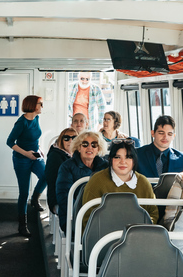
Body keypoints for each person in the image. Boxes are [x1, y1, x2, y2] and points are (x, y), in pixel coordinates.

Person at [81, 139, 158, 227]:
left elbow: (153, 213)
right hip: (103, 236)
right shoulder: (97, 181)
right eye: (117, 157)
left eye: (128, 157)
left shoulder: (143, 182)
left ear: (134, 160)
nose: (122, 162)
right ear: (110, 159)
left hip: (138, 235)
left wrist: (140, 230)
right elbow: (87, 218)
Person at [6, 94, 48, 236]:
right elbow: (10, 142)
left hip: (35, 156)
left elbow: (35, 138)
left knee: (46, 175)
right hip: (22, 159)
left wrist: (39, 150)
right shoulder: (21, 123)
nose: (42, 106)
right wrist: (26, 154)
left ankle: (35, 198)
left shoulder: (37, 118)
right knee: (23, 192)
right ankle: (22, 225)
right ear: (32, 105)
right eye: (40, 103)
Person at [55, 131, 108, 229]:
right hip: (73, 215)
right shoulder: (67, 167)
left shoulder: (106, 167)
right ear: (79, 148)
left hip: (101, 215)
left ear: (98, 149)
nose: (89, 147)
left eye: (94, 144)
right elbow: (64, 196)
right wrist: (80, 215)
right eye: (85, 144)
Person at [44, 127, 77, 213]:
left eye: (74, 138)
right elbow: (53, 181)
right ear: (61, 141)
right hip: (59, 199)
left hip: (73, 196)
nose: (70, 141)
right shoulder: (55, 157)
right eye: (66, 138)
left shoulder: (78, 156)